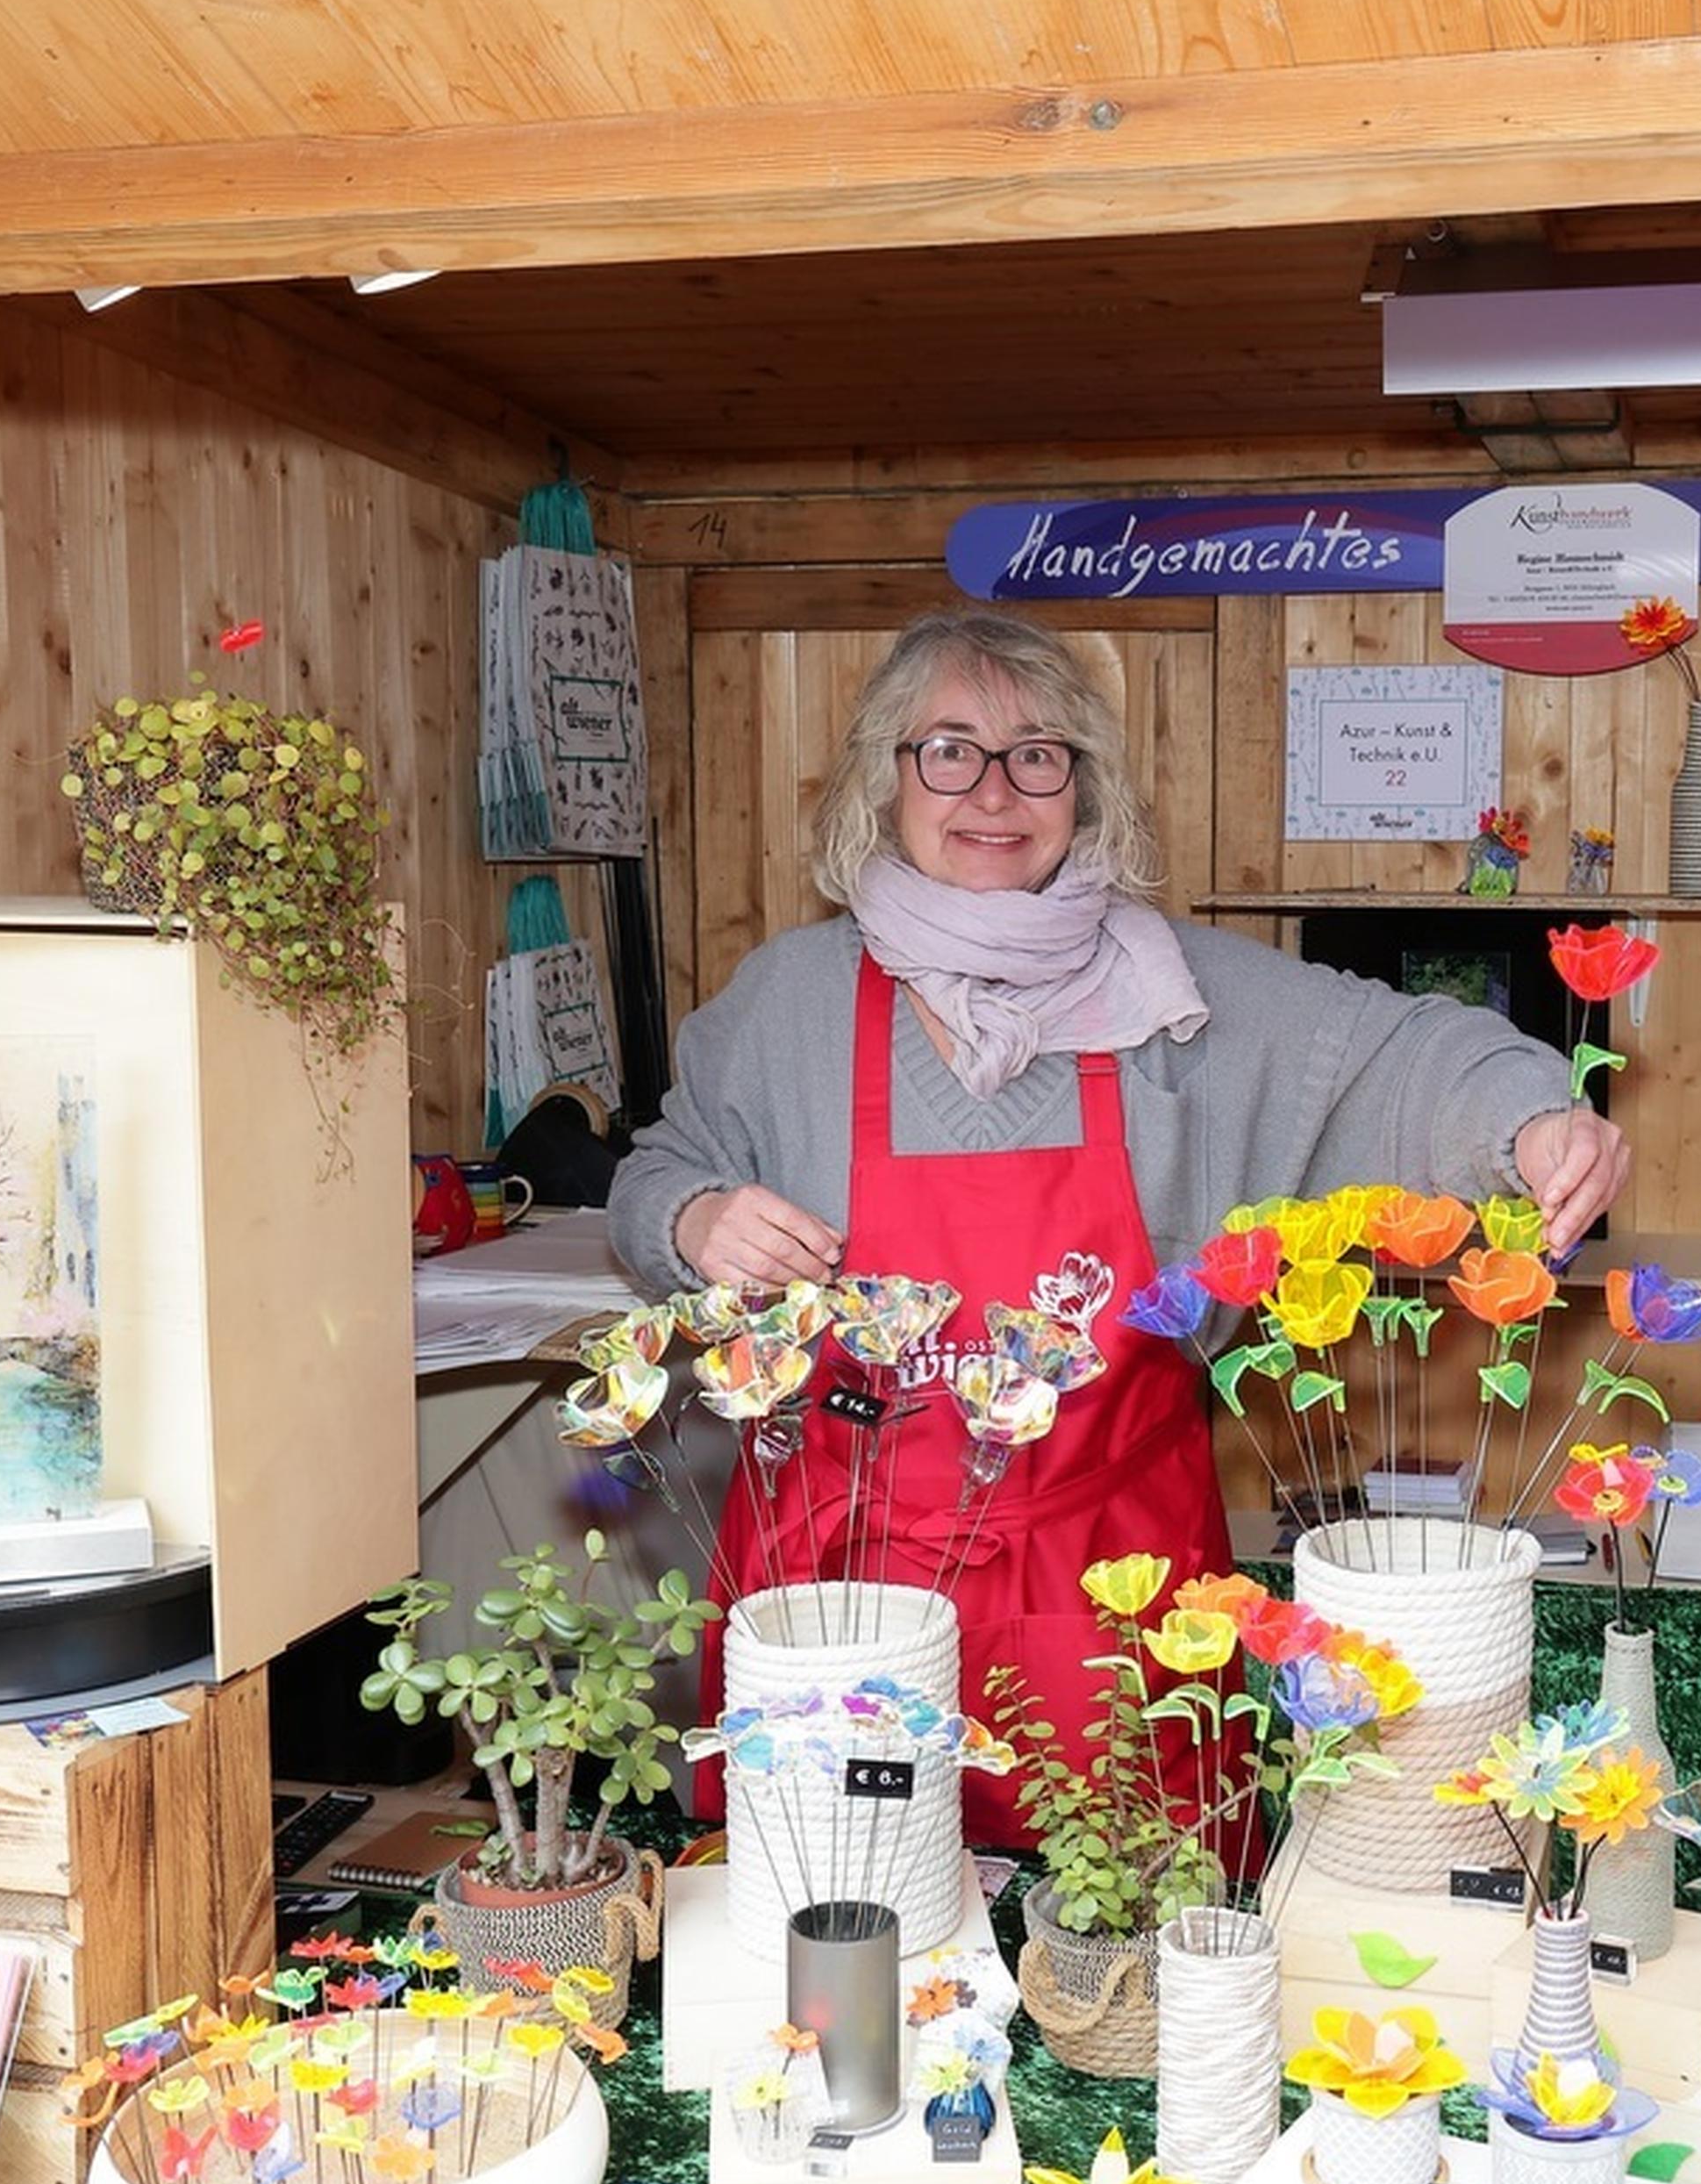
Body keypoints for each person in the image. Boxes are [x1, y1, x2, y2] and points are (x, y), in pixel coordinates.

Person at [608, 607, 1629, 1837]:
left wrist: (1533, 1123)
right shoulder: (789, 1002)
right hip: (844, 1608)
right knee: (835, 1957)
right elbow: (658, 1169)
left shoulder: (1177, 1002)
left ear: (1082, 791)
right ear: (886, 779)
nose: (995, 788)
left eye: (1039, 752)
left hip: (1115, 1597)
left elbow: (1402, 1053)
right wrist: (697, 1214)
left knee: (1130, 1970)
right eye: (950, 748)